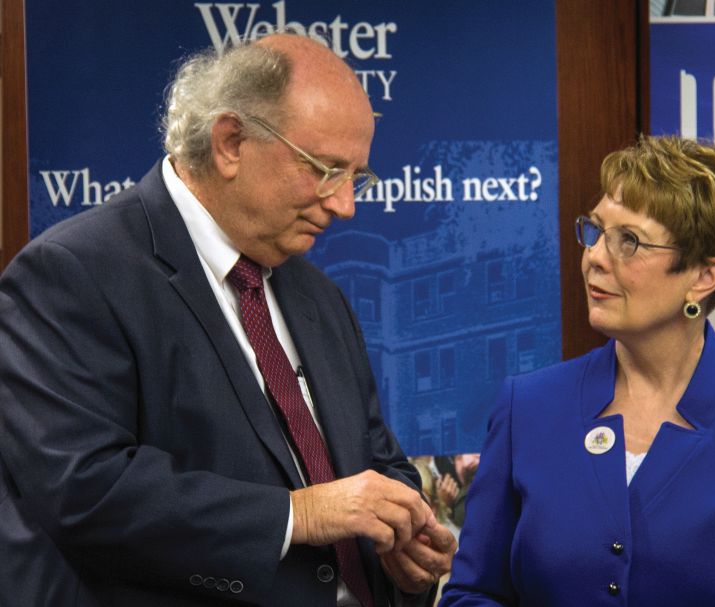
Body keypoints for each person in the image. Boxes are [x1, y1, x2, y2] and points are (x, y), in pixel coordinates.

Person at [0, 34, 455, 606]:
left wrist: (399, 535)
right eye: (326, 169)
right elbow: (84, 492)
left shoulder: (318, 295)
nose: (346, 205)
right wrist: (295, 515)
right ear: (231, 142)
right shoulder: (71, 274)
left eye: (356, 176)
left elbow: (375, 458)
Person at [440, 136, 715, 606]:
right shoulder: (526, 408)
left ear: (703, 277)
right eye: (594, 231)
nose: (594, 256)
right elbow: (470, 594)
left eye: (628, 241)